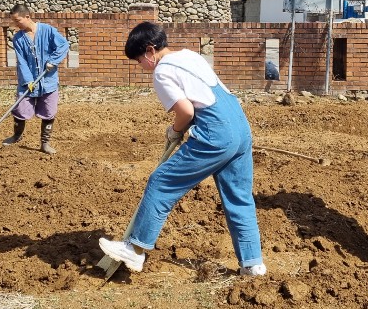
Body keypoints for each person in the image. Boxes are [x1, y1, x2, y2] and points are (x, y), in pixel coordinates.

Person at [98, 21, 266, 276]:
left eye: (139, 60)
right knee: (239, 197)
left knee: (161, 181)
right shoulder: (190, 55)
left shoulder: (162, 72)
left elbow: (186, 111)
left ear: (150, 51)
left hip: (216, 133)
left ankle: (135, 250)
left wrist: (176, 130)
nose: (141, 67)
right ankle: (253, 264)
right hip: (240, 128)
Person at [2, 4, 70, 154]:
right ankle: (17, 135)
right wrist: (28, 80)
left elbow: (63, 45)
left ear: (27, 17)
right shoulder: (18, 39)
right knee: (20, 109)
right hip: (28, 82)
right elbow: (22, 61)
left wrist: (53, 60)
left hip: (48, 81)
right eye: (14, 21)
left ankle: (45, 143)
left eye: (18, 20)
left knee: (49, 111)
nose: (16, 24)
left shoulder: (47, 31)